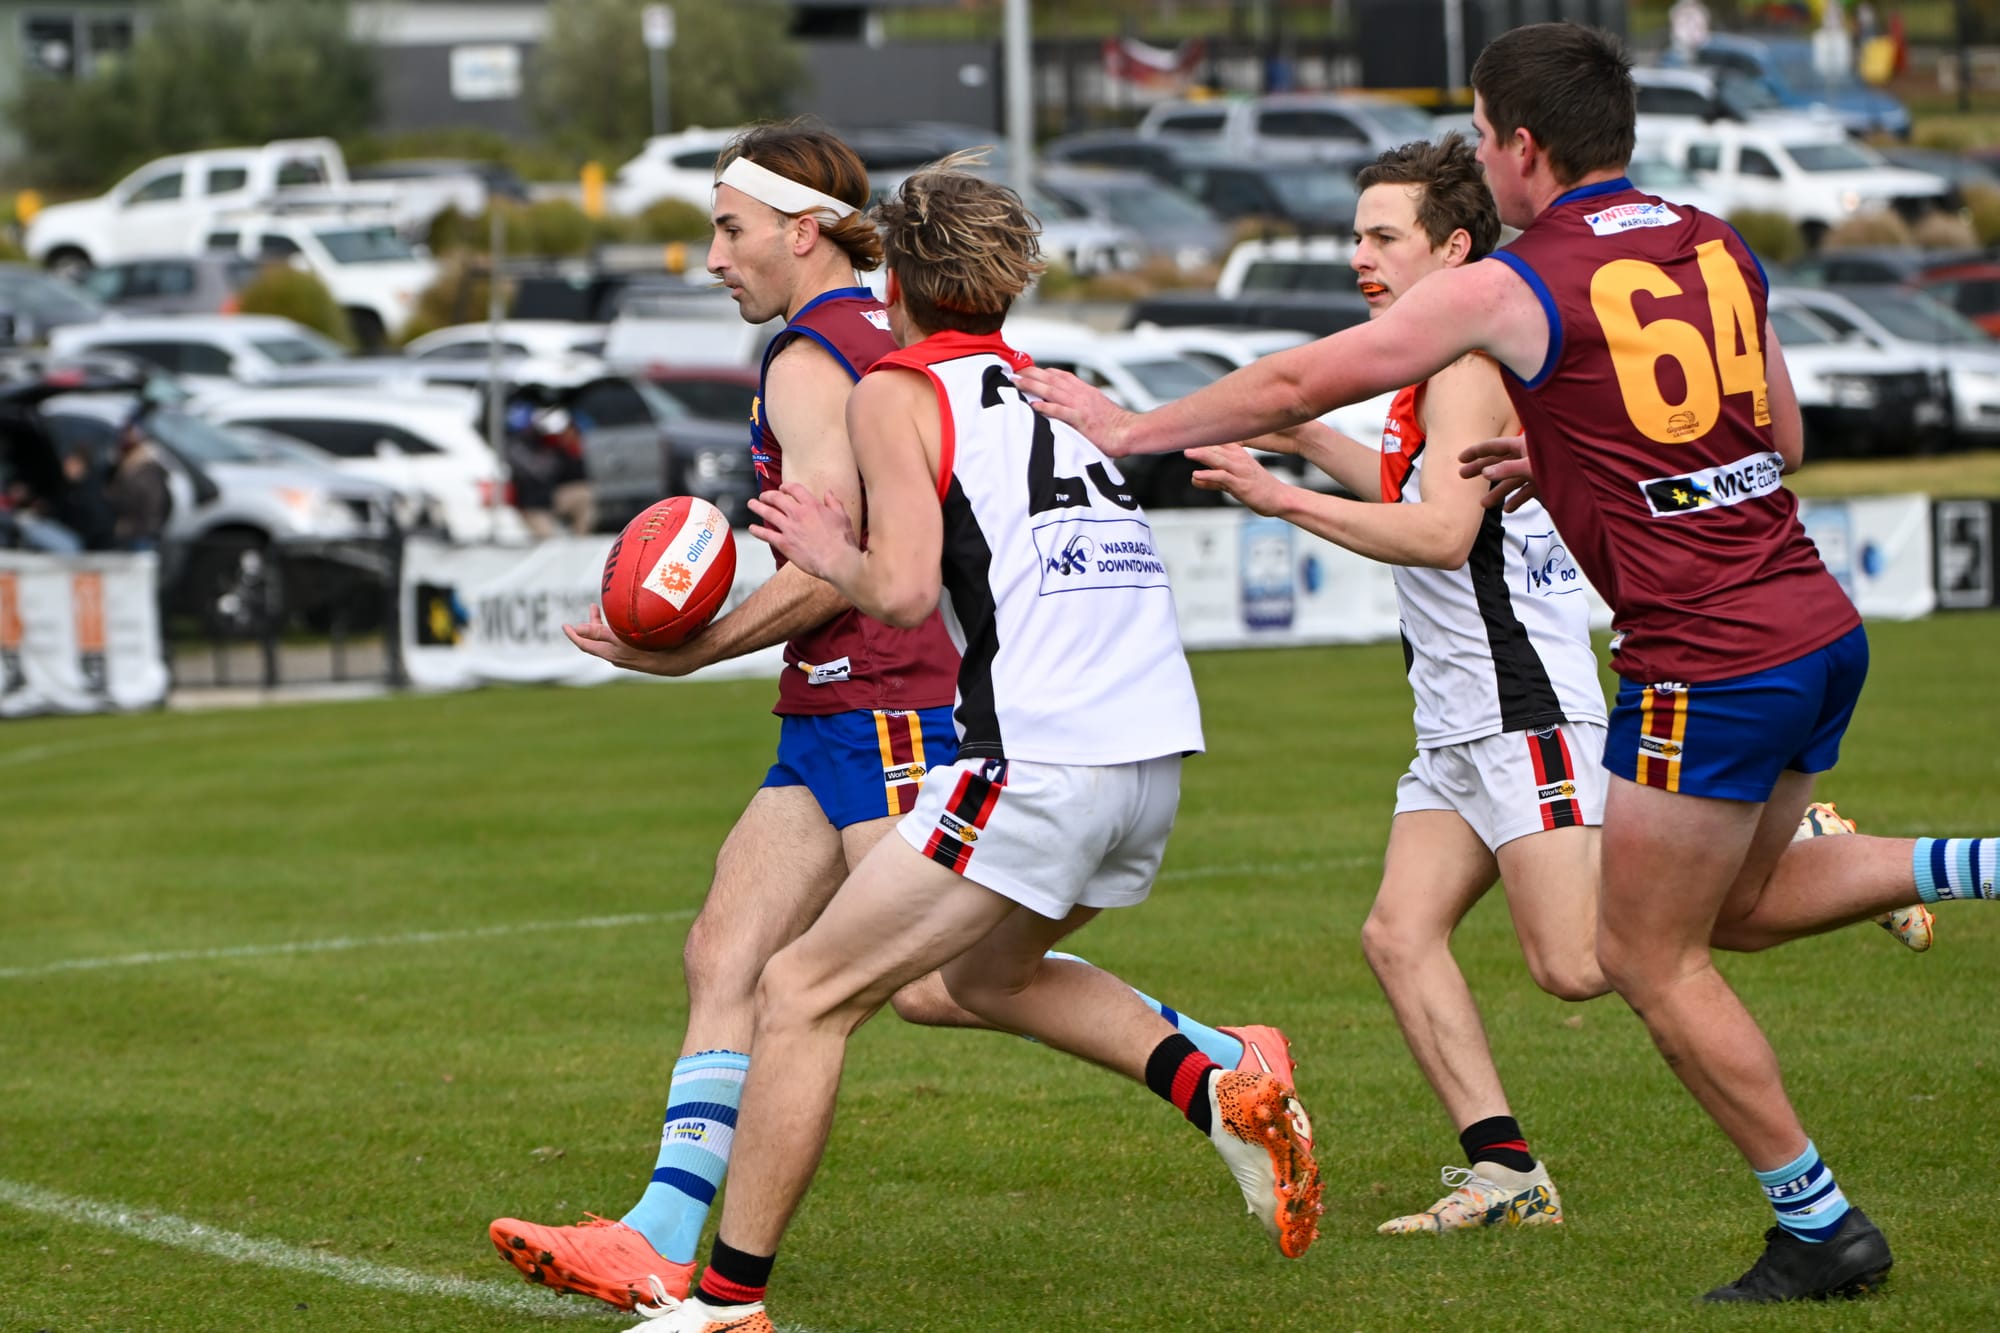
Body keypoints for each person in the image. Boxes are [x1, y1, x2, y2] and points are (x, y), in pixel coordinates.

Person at [1020, 21, 1996, 1303]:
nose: (1481, 156)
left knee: (1633, 960)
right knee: (1734, 914)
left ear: (1521, 147)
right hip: (1811, 622)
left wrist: (1131, 423)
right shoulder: (1711, 235)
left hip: (1699, 660)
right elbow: (1780, 433)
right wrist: (1582, 458)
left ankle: (1814, 1222)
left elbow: (1302, 377)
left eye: (1482, 136)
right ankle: (1971, 868)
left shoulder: (1508, 284)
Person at [490, 123, 1299, 1315]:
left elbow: (844, 566)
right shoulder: (921, 353)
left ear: (802, 230)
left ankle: (1213, 1062)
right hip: (857, 699)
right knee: (729, 950)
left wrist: (688, 652)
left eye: (729, 228)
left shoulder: (830, 362)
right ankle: (663, 1231)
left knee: (906, 982)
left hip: (890, 692)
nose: (712, 257)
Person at [1186, 134, 1611, 1235]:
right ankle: (1506, 1173)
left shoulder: (1466, 365)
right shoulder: (1431, 369)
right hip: (1458, 719)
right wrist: (1302, 438)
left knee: (1575, 963)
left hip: (1521, 705)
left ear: (1454, 247)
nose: (1359, 258)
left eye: (1383, 238)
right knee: (1396, 933)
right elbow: (1405, 486)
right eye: (1355, 236)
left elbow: (1436, 532)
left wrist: (1281, 501)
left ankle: (1777, 845)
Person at [106, 413, 172, 552]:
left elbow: (151, 510)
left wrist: (127, 527)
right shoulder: (125, 462)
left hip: (139, 536)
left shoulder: (144, 467)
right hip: (133, 533)